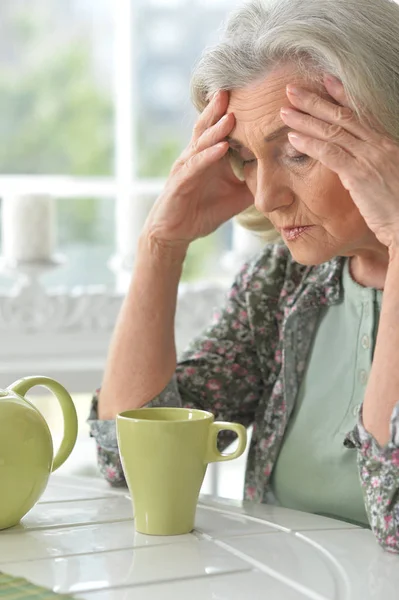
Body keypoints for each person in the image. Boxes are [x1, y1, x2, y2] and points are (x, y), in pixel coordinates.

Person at [88, 0, 399, 552]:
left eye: (298, 151)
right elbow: (129, 463)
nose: (264, 196)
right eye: (246, 158)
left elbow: (394, 514)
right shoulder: (282, 281)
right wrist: (161, 245)